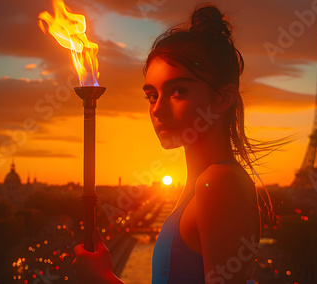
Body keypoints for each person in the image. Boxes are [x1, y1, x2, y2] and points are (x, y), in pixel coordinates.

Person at [73, 3, 285, 283]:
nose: (158, 109)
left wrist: (105, 280)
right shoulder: (205, 184)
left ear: (223, 97)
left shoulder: (219, 182)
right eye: (152, 95)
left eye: (178, 91)